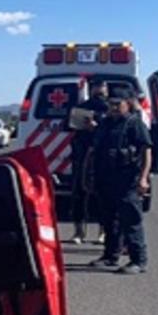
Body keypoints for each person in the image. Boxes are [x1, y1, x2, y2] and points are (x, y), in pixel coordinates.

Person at [87, 93, 153, 274]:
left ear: (128, 104)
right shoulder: (105, 124)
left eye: (118, 104)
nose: (114, 107)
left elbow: (146, 151)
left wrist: (144, 178)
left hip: (128, 180)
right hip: (105, 179)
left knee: (131, 221)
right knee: (109, 221)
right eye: (111, 104)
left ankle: (138, 261)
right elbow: (95, 151)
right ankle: (110, 256)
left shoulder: (134, 123)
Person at [69, 80, 109, 244]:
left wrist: (97, 126)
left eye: (102, 88)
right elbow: (70, 126)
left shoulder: (111, 109)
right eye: (96, 88)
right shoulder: (82, 107)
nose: (99, 90)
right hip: (83, 156)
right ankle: (78, 232)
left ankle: (103, 232)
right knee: (78, 195)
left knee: (103, 197)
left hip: (104, 157)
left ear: (107, 90)